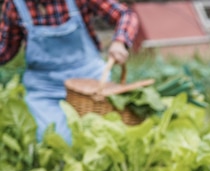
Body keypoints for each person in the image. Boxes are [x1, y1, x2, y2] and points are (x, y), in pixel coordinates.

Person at [0, 0, 139, 144]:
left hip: (91, 84)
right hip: (45, 90)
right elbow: (5, 49)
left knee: (99, 140)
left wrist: (119, 42)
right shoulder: (15, 5)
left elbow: (126, 14)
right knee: (50, 141)